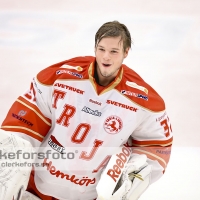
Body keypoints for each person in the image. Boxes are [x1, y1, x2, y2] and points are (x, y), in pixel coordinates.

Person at [0, 21, 173, 200]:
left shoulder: (144, 101)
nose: (106, 57)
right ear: (95, 48)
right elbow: (25, 122)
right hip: (34, 190)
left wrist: (132, 174)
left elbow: (157, 147)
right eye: (101, 49)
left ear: (126, 53)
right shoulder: (59, 77)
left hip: (90, 195)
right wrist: (13, 161)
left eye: (114, 51)